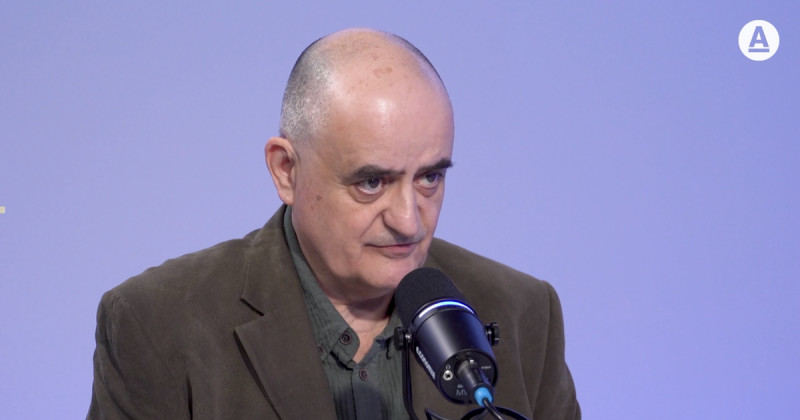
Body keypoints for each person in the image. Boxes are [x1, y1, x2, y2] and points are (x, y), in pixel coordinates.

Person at [88, 28, 580, 419]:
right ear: (286, 170)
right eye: (372, 182)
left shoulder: (524, 313)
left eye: (430, 177)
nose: (408, 220)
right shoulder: (156, 324)